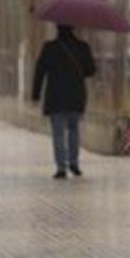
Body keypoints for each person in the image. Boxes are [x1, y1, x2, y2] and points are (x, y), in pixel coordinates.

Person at [31, 24, 97, 179]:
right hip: (76, 96)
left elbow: (40, 72)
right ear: (73, 29)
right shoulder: (82, 47)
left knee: (58, 133)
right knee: (74, 130)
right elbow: (91, 70)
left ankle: (61, 167)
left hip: (56, 97)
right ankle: (73, 163)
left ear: (58, 29)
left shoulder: (49, 48)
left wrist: (35, 94)